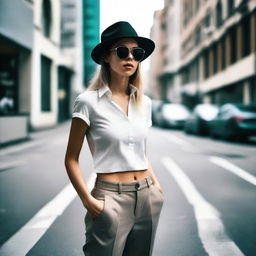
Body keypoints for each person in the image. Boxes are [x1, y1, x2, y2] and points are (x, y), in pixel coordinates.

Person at [65, 21, 163, 256]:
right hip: (109, 198)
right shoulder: (88, 102)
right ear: (106, 58)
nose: (130, 57)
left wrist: (157, 188)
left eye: (136, 53)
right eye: (122, 51)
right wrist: (89, 201)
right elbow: (71, 158)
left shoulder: (144, 102)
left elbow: (141, 152)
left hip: (147, 196)